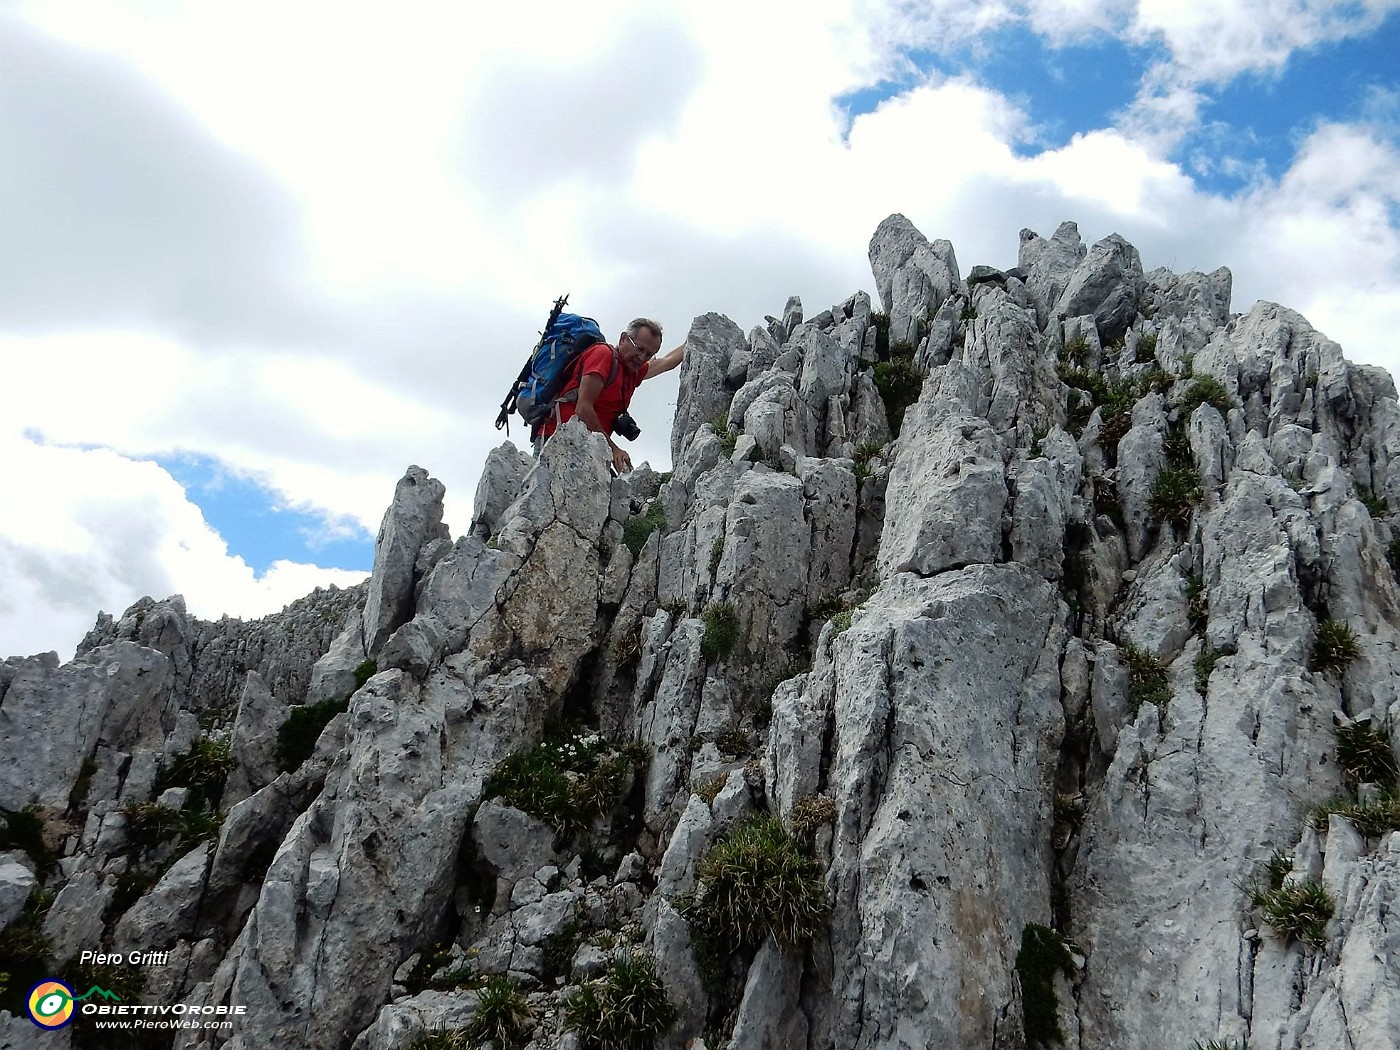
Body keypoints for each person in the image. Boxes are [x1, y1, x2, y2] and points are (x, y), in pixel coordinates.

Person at [536, 317, 685, 473]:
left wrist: (700, 332)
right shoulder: (603, 356)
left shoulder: (633, 371)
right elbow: (583, 408)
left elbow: (668, 362)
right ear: (623, 339)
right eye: (639, 349)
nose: (642, 358)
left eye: (649, 354)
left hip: (588, 446)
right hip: (557, 439)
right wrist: (613, 449)